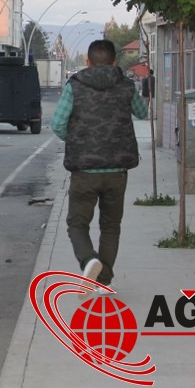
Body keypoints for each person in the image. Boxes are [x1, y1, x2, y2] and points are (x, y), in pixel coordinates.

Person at [51, 39, 147, 290]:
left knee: (77, 224)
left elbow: (58, 124)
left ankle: (89, 259)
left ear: (88, 61)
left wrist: (78, 140)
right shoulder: (126, 86)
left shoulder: (75, 86)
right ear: (114, 62)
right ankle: (103, 279)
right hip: (117, 170)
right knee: (111, 226)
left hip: (84, 170)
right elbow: (142, 112)